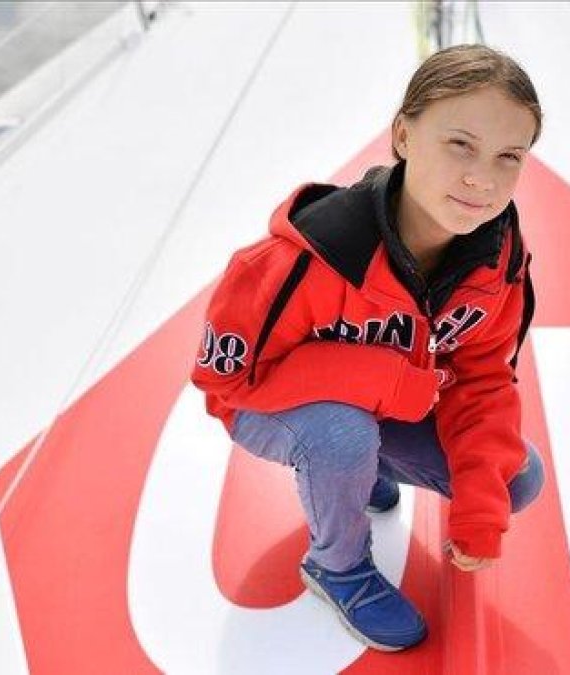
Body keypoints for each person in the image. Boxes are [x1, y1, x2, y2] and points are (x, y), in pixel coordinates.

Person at [189, 44, 545, 652]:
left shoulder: (497, 262)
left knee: (515, 481)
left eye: (508, 155)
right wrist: (381, 381)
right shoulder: (300, 260)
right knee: (341, 435)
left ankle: (366, 466)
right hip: (270, 406)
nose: (482, 178)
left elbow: (483, 380)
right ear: (403, 135)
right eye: (460, 143)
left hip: (388, 406)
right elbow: (226, 384)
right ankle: (338, 564)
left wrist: (479, 511)